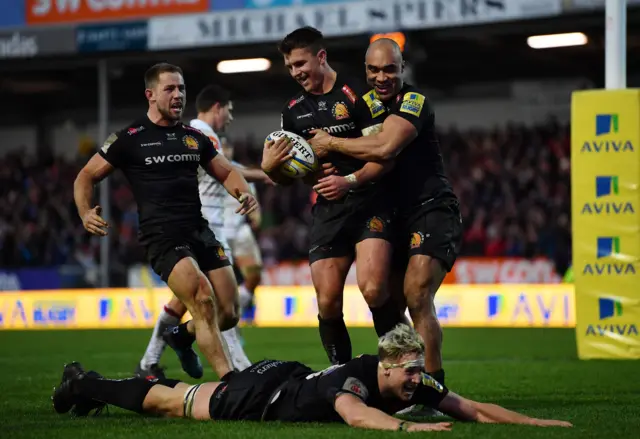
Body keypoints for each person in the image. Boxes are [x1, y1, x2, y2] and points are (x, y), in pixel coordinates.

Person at [74, 63, 257, 380]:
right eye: (170, 89)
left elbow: (226, 171)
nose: (178, 95)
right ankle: (230, 382)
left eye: (182, 89)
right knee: (202, 297)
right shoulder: (129, 138)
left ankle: (182, 336)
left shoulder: (193, 137)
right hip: (163, 237)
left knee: (229, 312)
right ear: (150, 95)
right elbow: (86, 175)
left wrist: (242, 193)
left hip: (199, 231)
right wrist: (85, 211)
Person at [52, 324, 572, 430]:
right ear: (387, 365)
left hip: (289, 376)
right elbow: (356, 415)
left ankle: (88, 386)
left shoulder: (412, 381)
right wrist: (410, 429)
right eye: (411, 372)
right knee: (174, 403)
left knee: (174, 396)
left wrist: (534, 422)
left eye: (420, 371)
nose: (419, 380)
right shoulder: (355, 382)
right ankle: (84, 384)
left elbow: (472, 408)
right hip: (263, 392)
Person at [309, 39, 463, 388]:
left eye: (389, 69)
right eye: (373, 70)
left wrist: (330, 144)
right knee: (386, 302)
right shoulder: (361, 106)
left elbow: (385, 146)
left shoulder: (414, 101)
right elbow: (354, 156)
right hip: (393, 214)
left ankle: (434, 389)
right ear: (365, 71)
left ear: (402, 69)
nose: (381, 77)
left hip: (431, 208)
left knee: (417, 293)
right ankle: (409, 380)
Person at [261, 26, 408, 366]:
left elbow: (384, 156)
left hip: (371, 199)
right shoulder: (293, 111)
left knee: (372, 290)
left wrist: (349, 180)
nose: (296, 72)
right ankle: (341, 376)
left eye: (301, 63)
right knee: (327, 302)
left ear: (321, 57)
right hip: (329, 210)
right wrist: (272, 169)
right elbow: (288, 177)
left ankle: (405, 368)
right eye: (290, 67)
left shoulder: (358, 92)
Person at [135, 85, 267, 379]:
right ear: (218, 107)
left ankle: (150, 360)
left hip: (207, 230)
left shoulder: (205, 136)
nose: (230, 117)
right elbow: (226, 169)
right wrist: (265, 174)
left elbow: (226, 167)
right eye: (229, 110)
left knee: (189, 302)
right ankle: (241, 370)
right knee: (221, 305)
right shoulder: (199, 131)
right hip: (202, 230)